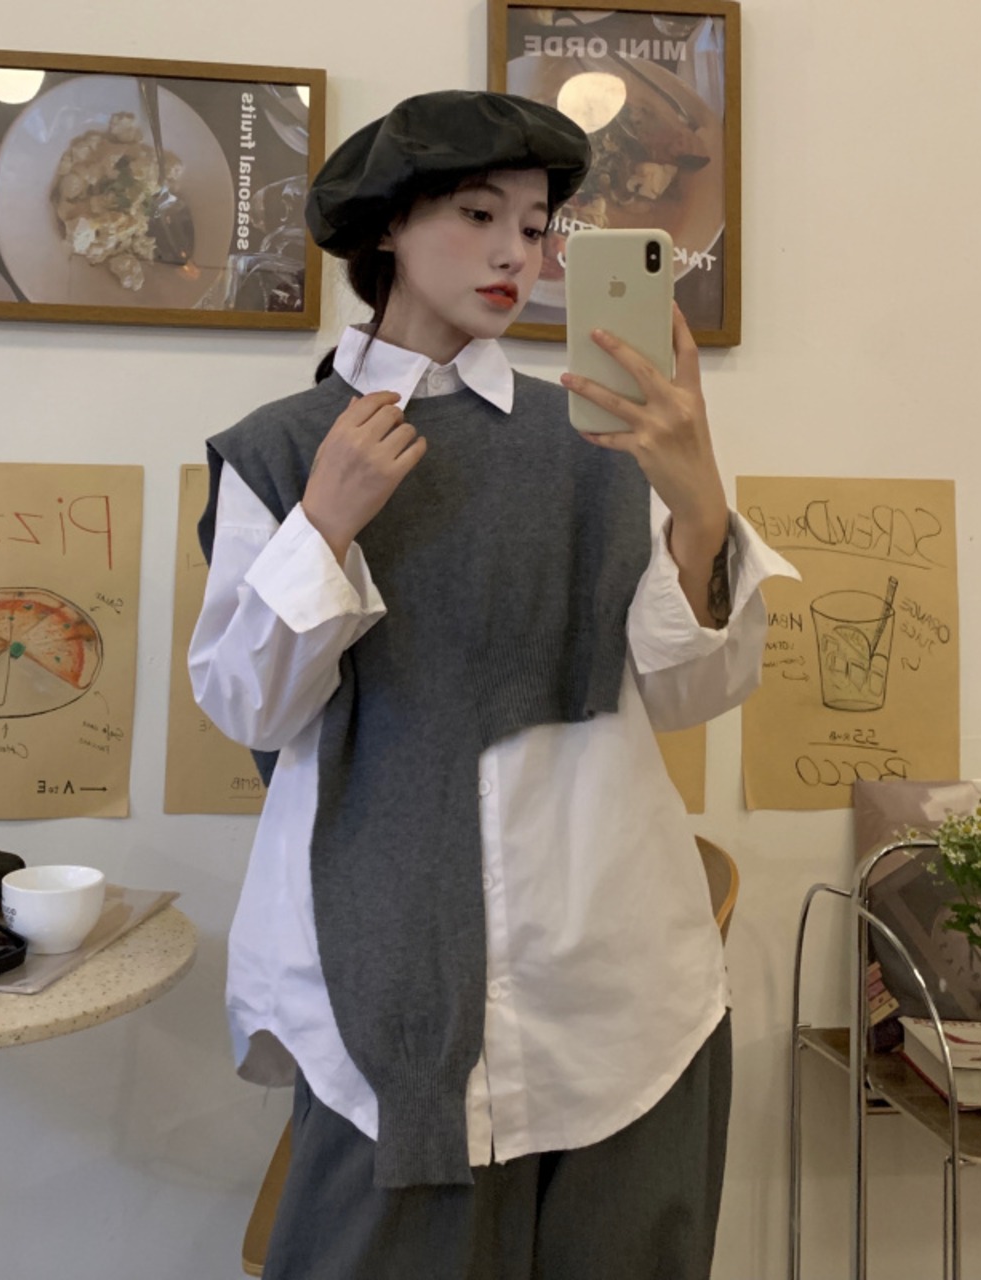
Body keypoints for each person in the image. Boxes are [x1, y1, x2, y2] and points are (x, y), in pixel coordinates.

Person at [189, 89, 795, 1280]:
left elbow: (686, 688)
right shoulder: (282, 446)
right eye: (478, 215)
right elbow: (249, 706)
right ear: (387, 229)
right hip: (376, 972)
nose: (518, 251)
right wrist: (325, 522)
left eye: (534, 224)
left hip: (614, 971)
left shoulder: (597, 438)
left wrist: (696, 502)